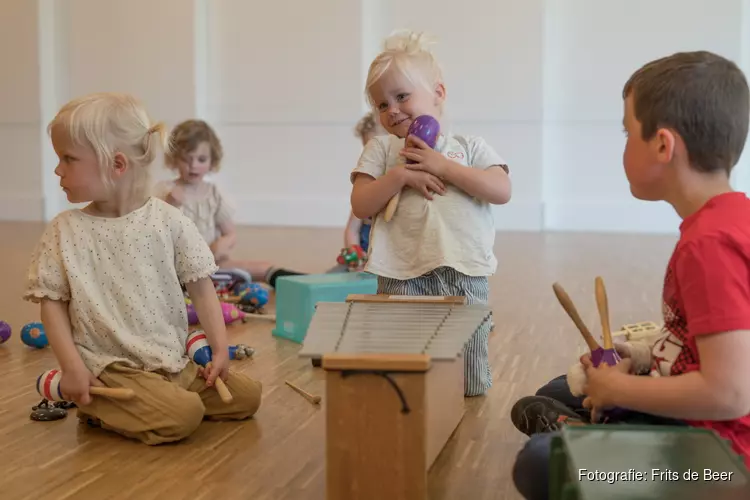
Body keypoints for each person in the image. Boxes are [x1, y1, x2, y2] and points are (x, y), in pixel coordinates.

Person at [510, 51, 750, 499]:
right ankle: (592, 429)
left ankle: (589, 436)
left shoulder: (707, 246)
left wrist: (621, 388)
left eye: (627, 131)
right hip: (710, 427)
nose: (622, 144)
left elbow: (731, 393)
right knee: (557, 390)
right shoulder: (729, 219)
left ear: (663, 145)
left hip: (721, 462)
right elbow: (712, 343)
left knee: (539, 462)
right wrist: (642, 358)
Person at [23, 93, 262, 445]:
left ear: (116, 164)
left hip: (171, 358)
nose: (58, 170)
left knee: (248, 396)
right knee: (184, 416)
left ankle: (157, 401)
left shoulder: (169, 220)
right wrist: (73, 368)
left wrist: (220, 348)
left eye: (68, 159)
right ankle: (100, 405)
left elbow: (201, 287)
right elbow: (52, 304)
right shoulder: (64, 230)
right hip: (111, 365)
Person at [349, 30, 512, 396]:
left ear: (438, 93)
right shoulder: (380, 150)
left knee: (469, 380)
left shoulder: (469, 148)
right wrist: (401, 175)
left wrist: (442, 166)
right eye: (381, 104)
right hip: (402, 271)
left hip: (464, 269)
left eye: (402, 96)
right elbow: (361, 205)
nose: (391, 110)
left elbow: (501, 190)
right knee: (409, 369)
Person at [158, 119, 305, 287]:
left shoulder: (214, 194)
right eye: (186, 159)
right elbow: (153, 230)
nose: (193, 166)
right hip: (176, 266)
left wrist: (222, 245)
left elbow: (231, 233)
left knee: (261, 268)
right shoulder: (166, 190)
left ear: (212, 161)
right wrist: (169, 203)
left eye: (201, 159)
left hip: (211, 264)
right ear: (174, 159)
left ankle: (307, 284)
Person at [344, 112, 385, 253]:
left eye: (377, 152)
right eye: (367, 151)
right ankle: (274, 272)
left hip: (389, 267)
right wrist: (354, 255)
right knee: (334, 273)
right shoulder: (366, 185)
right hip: (363, 261)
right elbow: (352, 230)